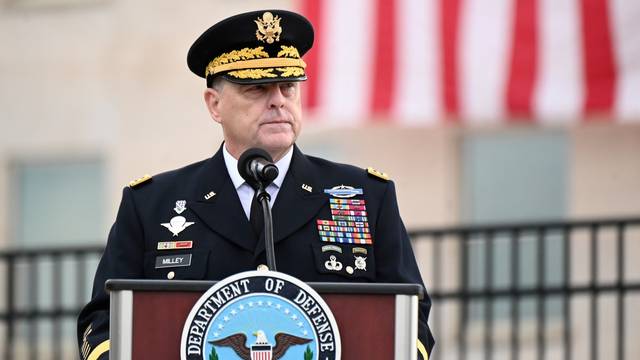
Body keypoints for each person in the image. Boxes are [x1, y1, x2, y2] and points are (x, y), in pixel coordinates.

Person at [77, 9, 435, 360]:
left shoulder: (367, 196)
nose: (278, 100)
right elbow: (105, 322)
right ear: (214, 105)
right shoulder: (152, 205)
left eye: (288, 87)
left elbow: (410, 319)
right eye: (257, 88)